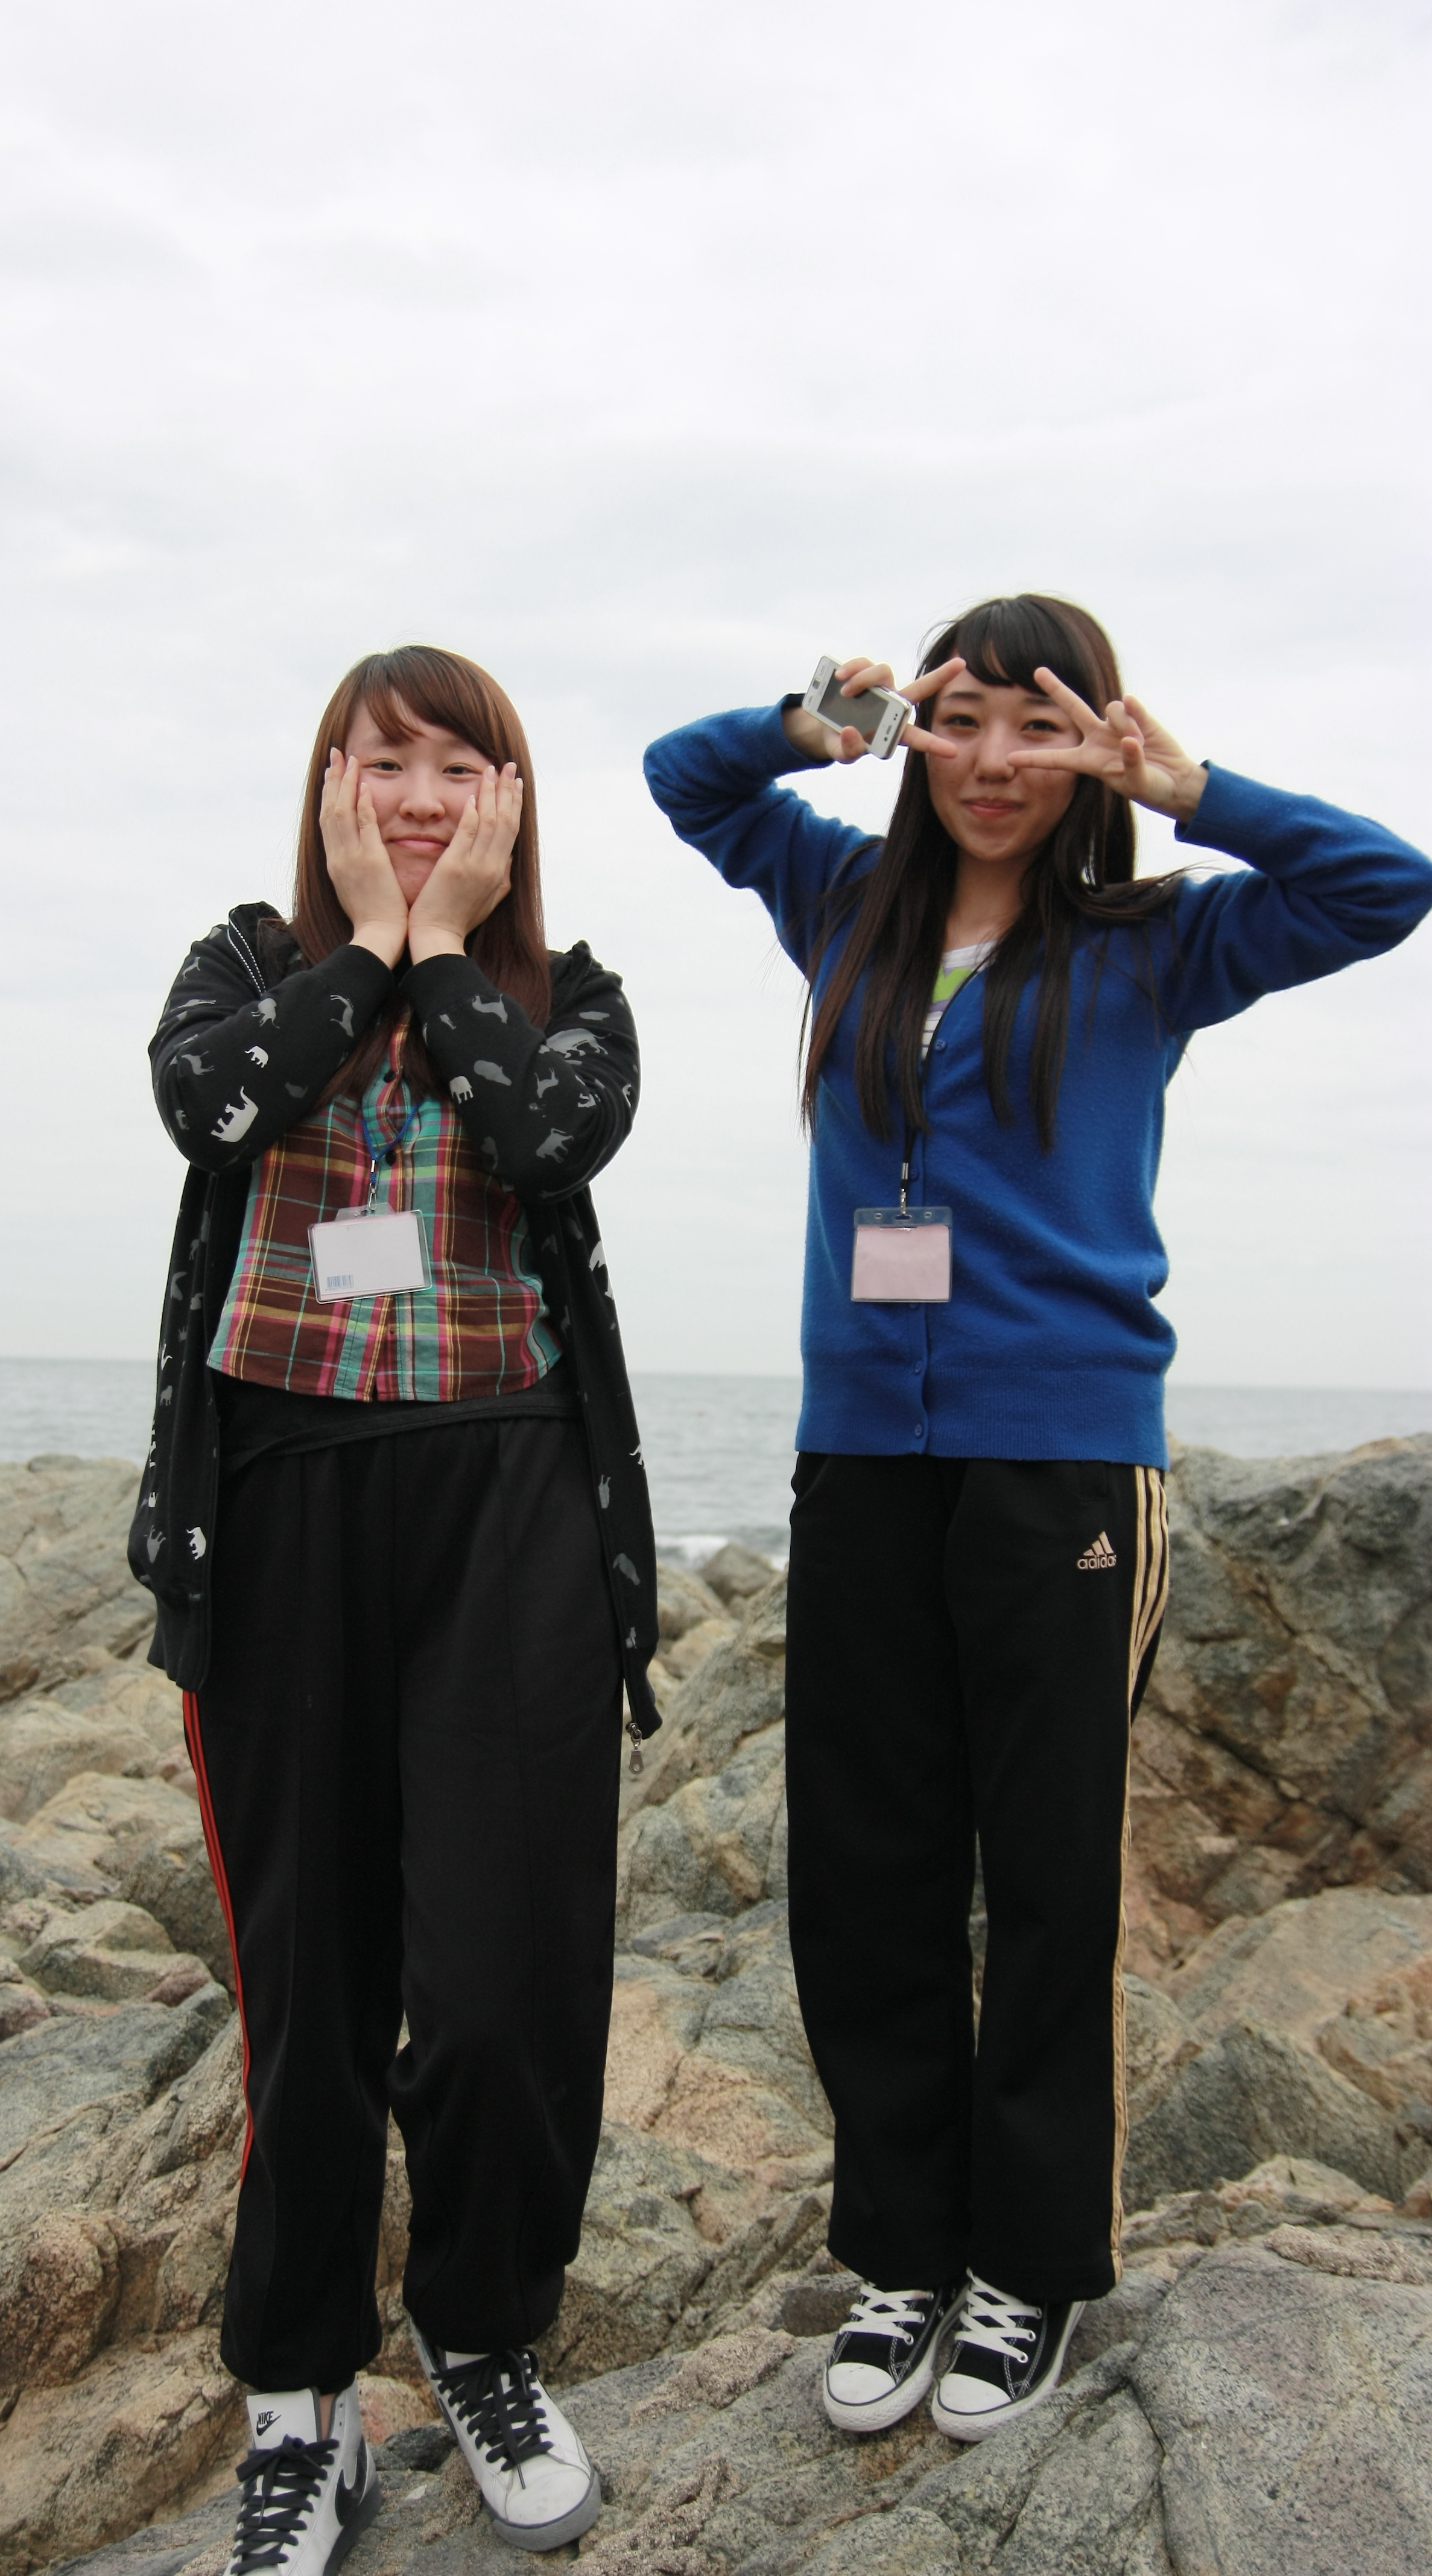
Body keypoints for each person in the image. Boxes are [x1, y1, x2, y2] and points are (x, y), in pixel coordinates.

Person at [644, 595, 1432, 2443]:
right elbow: (689, 782)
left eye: (1042, 724)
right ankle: (905, 2254)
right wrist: (819, 722)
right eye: (966, 719)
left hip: (1064, 1463)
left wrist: (1189, 787)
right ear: (921, 733)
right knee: (869, 1872)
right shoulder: (842, 900)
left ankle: (1034, 2268)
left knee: (1053, 1878)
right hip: (862, 1456)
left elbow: (1387, 886)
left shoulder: (1159, 940)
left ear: (1091, 746)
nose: (997, 761)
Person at [130, 645, 658, 2574]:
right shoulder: (244, 969)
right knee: (311, 1993)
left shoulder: (570, 998)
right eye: (384, 760)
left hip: (510, 1490)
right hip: (279, 1498)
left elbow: (546, 1139)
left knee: (512, 1981)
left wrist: (443, 958)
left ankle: (484, 2329)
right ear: (328, 782)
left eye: (460, 764)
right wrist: (362, 945)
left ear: (510, 798)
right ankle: (301, 2402)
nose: (421, 795)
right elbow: (210, 1110)